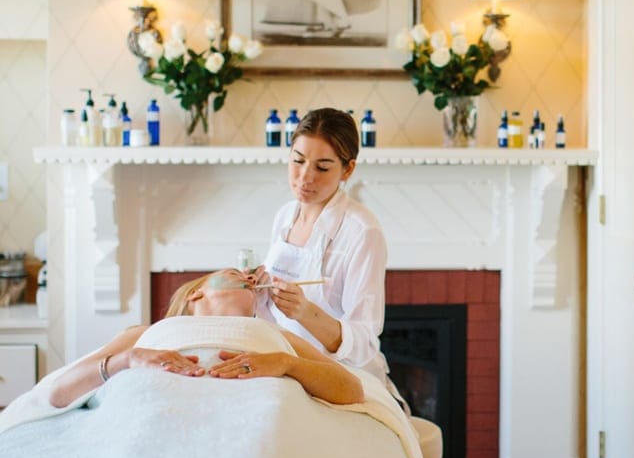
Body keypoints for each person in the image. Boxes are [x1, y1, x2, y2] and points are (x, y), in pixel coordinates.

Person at [48, 268, 364, 409]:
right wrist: (127, 359)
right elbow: (59, 392)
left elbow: (351, 389)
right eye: (233, 273)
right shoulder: (147, 334)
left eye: (251, 282)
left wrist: (285, 364)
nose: (249, 278)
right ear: (197, 291)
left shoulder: (273, 337)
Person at [253, 108, 394, 392]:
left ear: (348, 169)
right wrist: (258, 290)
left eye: (322, 167)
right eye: (298, 160)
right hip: (287, 371)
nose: (305, 177)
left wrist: (305, 312)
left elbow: (363, 344)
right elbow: (272, 318)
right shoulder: (285, 216)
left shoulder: (362, 231)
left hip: (342, 379)